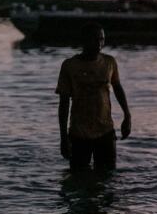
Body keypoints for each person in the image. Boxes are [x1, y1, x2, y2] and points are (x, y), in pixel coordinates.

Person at [56, 22, 131, 171]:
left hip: (105, 131)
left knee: (107, 179)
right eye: (95, 39)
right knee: (78, 180)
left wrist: (127, 116)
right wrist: (64, 138)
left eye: (102, 39)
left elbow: (117, 87)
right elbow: (64, 104)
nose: (99, 44)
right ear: (84, 40)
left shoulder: (109, 62)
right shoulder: (69, 66)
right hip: (79, 133)